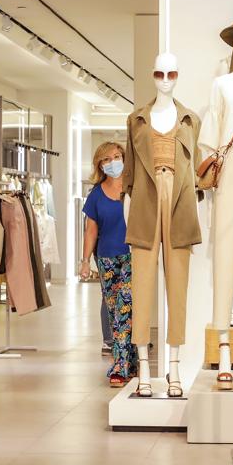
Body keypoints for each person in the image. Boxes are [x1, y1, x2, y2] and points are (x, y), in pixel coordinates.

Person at [80, 142, 137, 387]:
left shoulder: (134, 188)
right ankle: (131, 360)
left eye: (116, 157)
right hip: (105, 259)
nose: (113, 162)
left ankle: (120, 367)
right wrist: (84, 261)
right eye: (106, 159)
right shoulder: (96, 194)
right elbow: (90, 231)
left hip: (133, 256)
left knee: (125, 306)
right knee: (116, 312)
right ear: (100, 165)